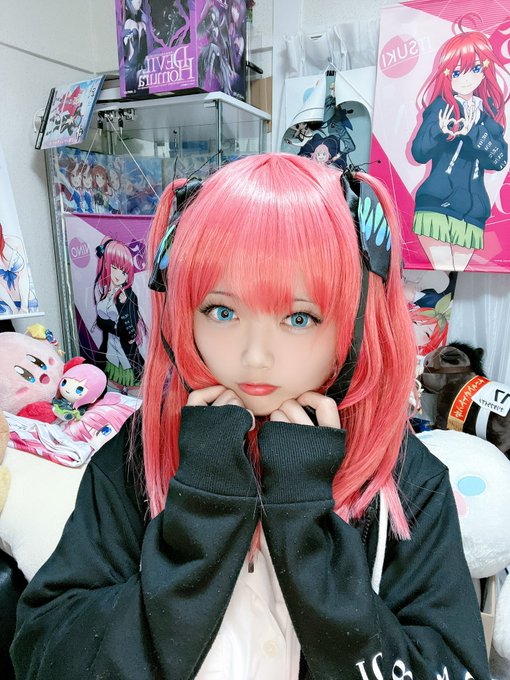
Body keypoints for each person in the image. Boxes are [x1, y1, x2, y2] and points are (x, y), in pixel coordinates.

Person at [11, 153, 490, 679]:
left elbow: (452, 665)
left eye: (299, 317)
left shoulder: (402, 478)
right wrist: (199, 520)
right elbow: (44, 652)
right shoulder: (141, 451)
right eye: (222, 311)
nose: (255, 356)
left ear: (355, 320)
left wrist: (309, 534)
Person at [411, 30, 508, 271]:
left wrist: (473, 132)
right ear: (447, 74)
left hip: (473, 212)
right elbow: (418, 152)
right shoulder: (441, 108)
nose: (466, 79)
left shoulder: (487, 115)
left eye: (475, 69)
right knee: (443, 275)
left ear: (484, 71)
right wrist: (440, 131)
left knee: (453, 278)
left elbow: (499, 160)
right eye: (457, 72)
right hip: (437, 203)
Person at [93, 236, 146, 392]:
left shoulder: (128, 295)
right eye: (114, 267)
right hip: (109, 352)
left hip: (127, 355)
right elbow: (100, 322)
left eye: (124, 271)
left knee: (134, 395)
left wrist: (122, 306)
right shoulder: (104, 293)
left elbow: (130, 333)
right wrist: (113, 326)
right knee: (111, 394)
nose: (118, 275)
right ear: (106, 265)